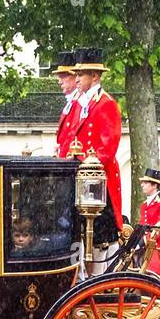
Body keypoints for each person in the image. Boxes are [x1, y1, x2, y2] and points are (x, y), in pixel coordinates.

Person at [65, 47, 122, 245]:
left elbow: (107, 149)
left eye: (81, 75)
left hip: (97, 180)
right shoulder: (82, 104)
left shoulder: (106, 103)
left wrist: (82, 163)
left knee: (99, 237)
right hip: (81, 177)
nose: (77, 79)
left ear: (94, 76)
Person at [52, 51, 81, 158]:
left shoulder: (81, 102)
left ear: (75, 76)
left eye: (63, 76)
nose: (59, 82)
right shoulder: (73, 101)